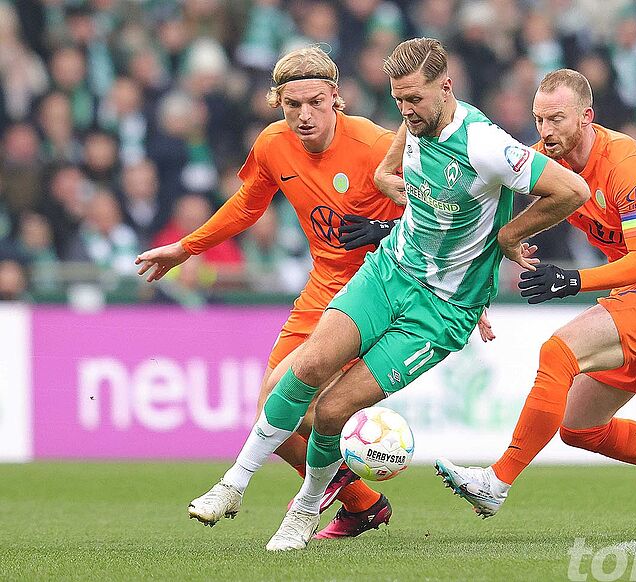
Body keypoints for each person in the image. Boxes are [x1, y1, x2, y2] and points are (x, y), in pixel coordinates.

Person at [186, 37, 590, 552]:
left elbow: (572, 190)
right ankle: (232, 485)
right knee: (307, 367)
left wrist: (510, 236)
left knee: (332, 410)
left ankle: (305, 510)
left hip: (441, 310)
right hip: (388, 272)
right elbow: (405, 133)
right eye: (399, 100)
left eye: (415, 99)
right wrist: (384, 171)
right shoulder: (414, 120)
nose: (406, 111)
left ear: (446, 88)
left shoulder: (486, 145)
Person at [434, 69, 636, 533]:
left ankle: (496, 482)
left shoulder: (629, 164)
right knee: (580, 428)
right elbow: (488, 218)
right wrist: (480, 293)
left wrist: (571, 281)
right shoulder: (546, 160)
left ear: (586, 116)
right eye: (539, 119)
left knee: (558, 351)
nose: (546, 131)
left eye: (556, 119)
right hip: (633, 298)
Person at [135, 46, 404, 539]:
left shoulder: (375, 144)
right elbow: (246, 206)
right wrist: (186, 248)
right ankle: (360, 501)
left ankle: (316, 490)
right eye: (292, 104)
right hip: (321, 291)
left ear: (336, 98)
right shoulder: (272, 144)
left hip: (378, 292)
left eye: (315, 102)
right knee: (271, 417)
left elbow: (440, 210)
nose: (304, 115)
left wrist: (404, 244)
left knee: (308, 409)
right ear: (278, 102)